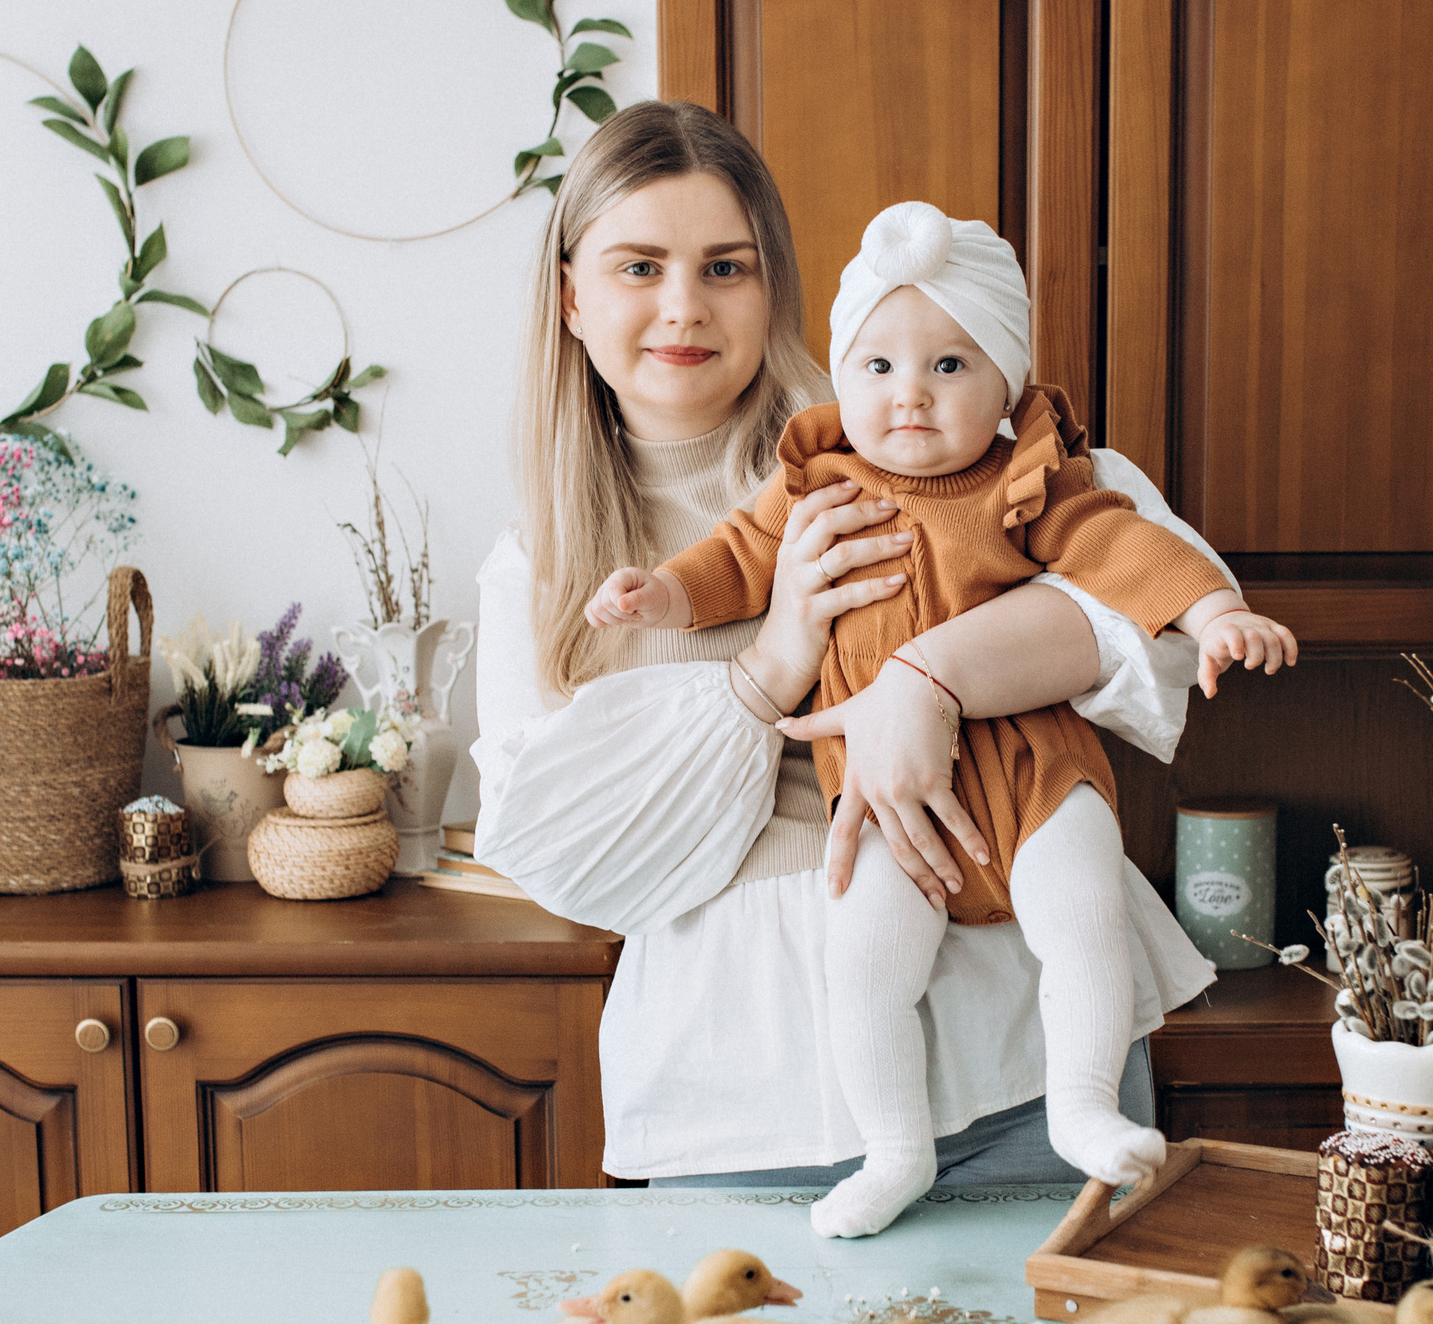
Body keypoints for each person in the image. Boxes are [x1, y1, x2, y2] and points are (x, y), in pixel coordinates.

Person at [471, 102, 1243, 1210]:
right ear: (571, 296)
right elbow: (575, 863)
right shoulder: (538, 566)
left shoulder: (917, 429)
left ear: (773, 286)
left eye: (725, 267)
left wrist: (929, 684)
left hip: (1018, 1057)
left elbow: (1147, 616)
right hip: (736, 1098)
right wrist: (772, 660)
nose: (683, 306)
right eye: (639, 266)